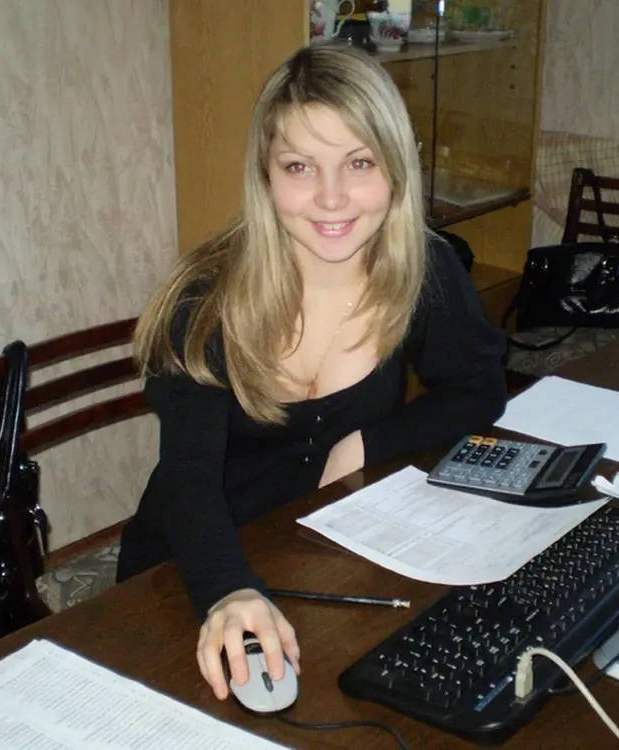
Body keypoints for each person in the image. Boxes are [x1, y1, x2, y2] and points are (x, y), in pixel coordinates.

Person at [117, 43, 507, 702]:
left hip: (321, 544)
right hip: (191, 568)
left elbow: (478, 388)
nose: (331, 198)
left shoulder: (424, 270)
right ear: (265, 175)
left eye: (359, 162)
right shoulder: (206, 302)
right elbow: (188, 478)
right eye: (299, 166)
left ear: (396, 166)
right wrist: (228, 590)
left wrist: (365, 442)